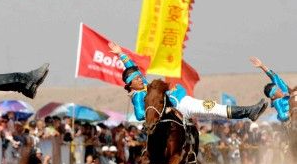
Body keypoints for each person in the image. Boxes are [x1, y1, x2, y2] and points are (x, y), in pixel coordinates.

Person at [108, 42, 267, 121]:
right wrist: (163, 110)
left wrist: (120, 53)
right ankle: (249, 112)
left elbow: (131, 66)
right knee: (214, 108)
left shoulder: (142, 84)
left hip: (182, 99)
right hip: (180, 106)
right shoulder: (137, 96)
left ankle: (250, 112)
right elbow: (140, 115)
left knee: (213, 107)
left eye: (138, 76)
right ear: (130, 84)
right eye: (135, 78)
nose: (139, 78)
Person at [250, 57, 290, 122]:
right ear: (273, 96)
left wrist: (262, 66)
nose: (279, 90)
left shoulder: (282, 89)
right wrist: (290, 115)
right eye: (277, 90)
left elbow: (273, 76)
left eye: (278, 88)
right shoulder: (277, 102)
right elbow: (282, 116)